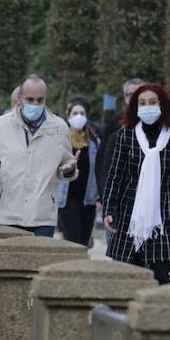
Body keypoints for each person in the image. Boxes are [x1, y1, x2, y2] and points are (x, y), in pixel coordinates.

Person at [101, 83, 170, 285]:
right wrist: (109, 209)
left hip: (162, 218)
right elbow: (115, 177)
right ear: (135, 107)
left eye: (152, 102)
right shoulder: (124, 136)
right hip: (129, 215)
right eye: (142, 103)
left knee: (161, 277)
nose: (147, 107)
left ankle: (155, 315)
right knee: (128, 275)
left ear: (162, 105)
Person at [0, 75, 78, 236]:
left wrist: (68, 170)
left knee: (40, 260)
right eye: (30, 99)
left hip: (42, 215)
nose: (35, 104)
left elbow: (66, 165)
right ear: (20, 98)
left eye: (40, 100)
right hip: (8, 213)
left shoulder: (59, 128)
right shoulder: (0, 125)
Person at [57, 98, 100, 246]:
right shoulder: (61, 139)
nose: (78, 116)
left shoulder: (94, 141)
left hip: (89, 198)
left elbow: (99, 170)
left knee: (83, 241)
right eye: (75, 113)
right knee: (72, 239)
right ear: (68, 116)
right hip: (66, 197)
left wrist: (101, 196)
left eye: (82, 113)